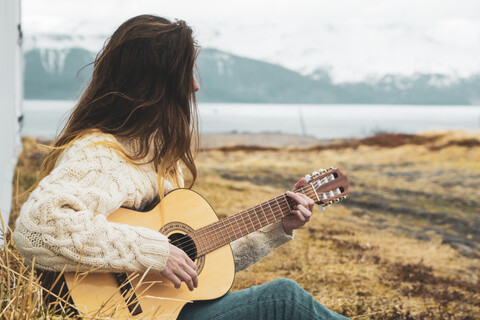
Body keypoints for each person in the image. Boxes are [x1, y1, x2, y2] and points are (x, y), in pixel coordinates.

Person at [13, 14, 348, 320]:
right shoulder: (102, 155)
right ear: (156, 83)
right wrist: (155, 252)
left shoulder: (160, 161)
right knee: (285, 300)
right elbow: (37, 227)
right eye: (186, 72)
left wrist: (276, 228)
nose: (196, 86)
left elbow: (199, 268)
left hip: (170, 310)